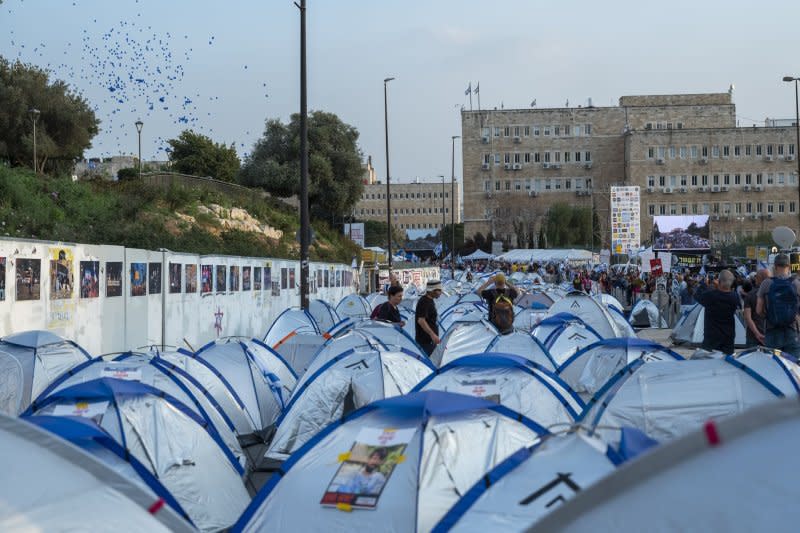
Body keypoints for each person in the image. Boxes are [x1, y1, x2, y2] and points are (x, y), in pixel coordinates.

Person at [756, 254, 800, 357]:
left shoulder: (766, 283)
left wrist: (769, 316)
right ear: (788, 266)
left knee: (773, 366)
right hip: (791, 330)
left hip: (772, 330)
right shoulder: (796, 284)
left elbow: (758, 310)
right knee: (793, 367)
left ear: (775, 266)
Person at [694, 269, 739, 355]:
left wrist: (704, 284)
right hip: (728, 339)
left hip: (711, 338)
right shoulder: (735, 297)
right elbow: (725, 292)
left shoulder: (711, 296)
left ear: (719, 281)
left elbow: (697, 295)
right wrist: (719, 286)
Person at [415, 280, 442, 356]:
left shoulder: (430, 301)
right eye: (439, 290)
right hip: (425, 342)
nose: (441, 292)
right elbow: (421, 320)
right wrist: (432, 335)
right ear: (432, 290)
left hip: (429, 341)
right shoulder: (424, 302)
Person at [743, 268, 768, 347]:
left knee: (751, 359)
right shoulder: (772, 294)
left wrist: (757, 334)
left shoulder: (750, 295)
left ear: (759, 278)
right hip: (769, 335)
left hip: (752, 336)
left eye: (756, 276)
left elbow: (747, 317)